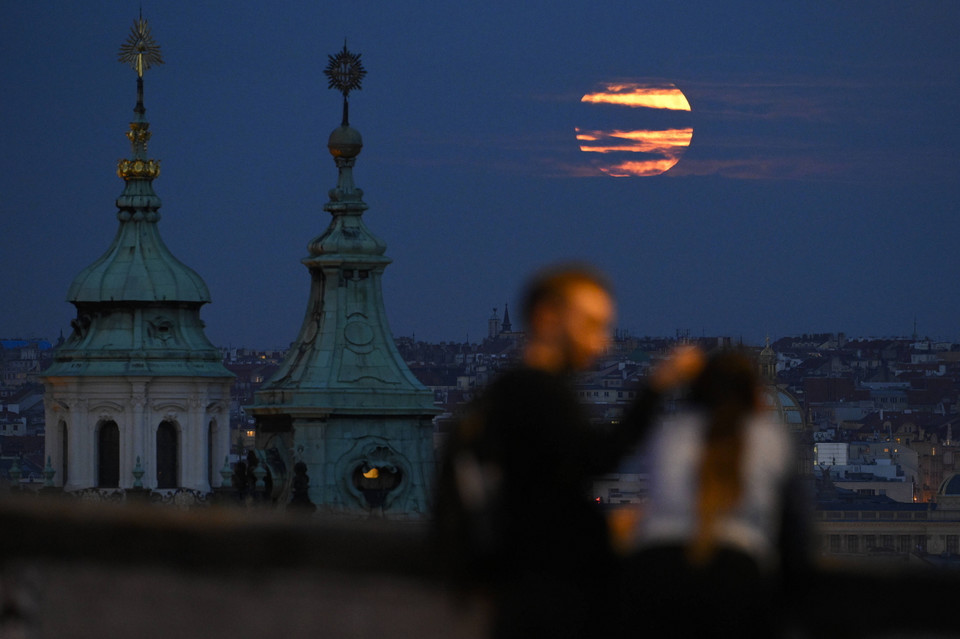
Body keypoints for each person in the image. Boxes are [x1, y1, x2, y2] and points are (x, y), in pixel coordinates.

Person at [435, 263, 702, 639]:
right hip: (553, 600)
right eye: (592, 325)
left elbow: (541, 489)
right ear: (547, 317)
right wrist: (657, 388)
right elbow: (594, 459)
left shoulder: (499, 396)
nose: (602, 342)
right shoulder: (538, 392)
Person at [621, 349, 810, 638]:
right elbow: (794, 534)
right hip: (736, 573)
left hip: (657, 570)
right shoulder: (769, 437)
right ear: (753, 394)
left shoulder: (668, 433)